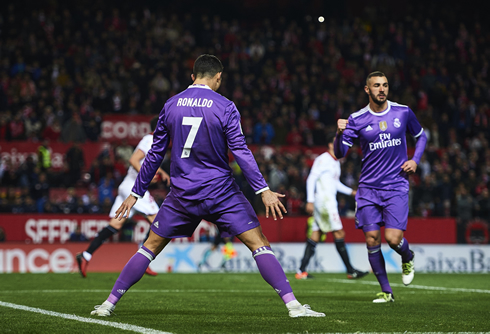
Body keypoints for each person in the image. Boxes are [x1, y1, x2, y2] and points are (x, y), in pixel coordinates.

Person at [89, 54, 324, 318]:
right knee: (259, 243)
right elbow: (241, 151)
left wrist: (135, 193)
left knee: (150, 246)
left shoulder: (171, 105)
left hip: (182, 195)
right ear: (218, 78)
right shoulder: (224, 106)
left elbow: (154, 154)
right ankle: (293, 306)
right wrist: (263, 189)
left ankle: (107, 305)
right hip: (220, 192)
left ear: (193, 76)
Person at [334, 71, 427, 303]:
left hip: (396, 186)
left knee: (393, 239)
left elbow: (421, 136)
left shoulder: (403, 111)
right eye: (376, 85)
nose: (381, 89)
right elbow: (340, 153)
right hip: (368, 189)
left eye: (385, 85)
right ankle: (387, 292)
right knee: (372, 239)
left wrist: (415, 160)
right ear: (367, 90)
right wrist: (339, 134)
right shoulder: (356, 119)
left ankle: (408, 255)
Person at [76, 117, 170, 278]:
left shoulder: (155, 141)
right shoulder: (150, 139)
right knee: (158, 221)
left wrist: (162, 173)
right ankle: (143, 259)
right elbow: (133, 160)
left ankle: (85, 255)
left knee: (115, 225)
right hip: (134, 188)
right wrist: (147, 175)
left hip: (126, 186)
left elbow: (148, 163)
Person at [296, 133, 368, 280]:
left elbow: (334, 184)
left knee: (315, 234)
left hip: (324, 201)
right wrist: (309, 200)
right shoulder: (323, 159)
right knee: (339, 233)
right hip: (325, 202)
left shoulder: (335, 162)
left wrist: (351, 192)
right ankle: (350, 270)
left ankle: (301, 271)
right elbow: (311, 178)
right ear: (330, 145)